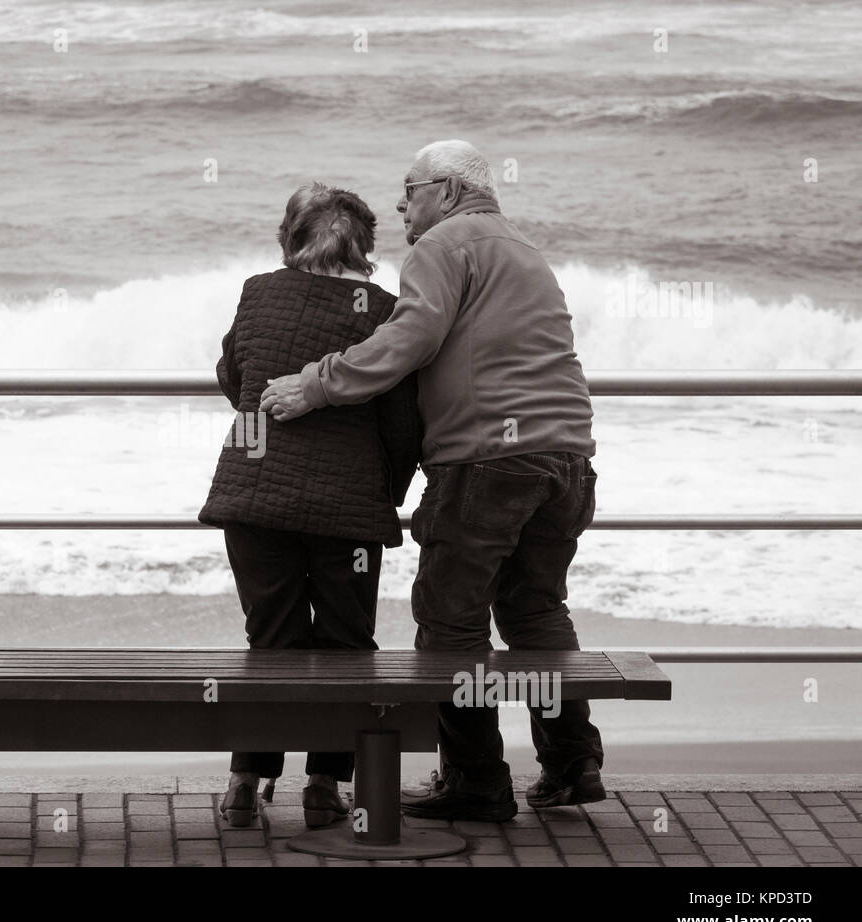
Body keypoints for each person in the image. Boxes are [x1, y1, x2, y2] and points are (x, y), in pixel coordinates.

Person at [260, 141, 604, 822]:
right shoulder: (523, 250)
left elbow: (411, 337)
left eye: (410, 190)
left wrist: (316, 383)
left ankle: (477, 781)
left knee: (451, 628)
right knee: (536, 611)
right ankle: (572, 762)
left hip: (488, 463)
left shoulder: (445, 243)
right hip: (568, 457)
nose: (400, 204)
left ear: (445, 191)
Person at [198, 182, 420, 828]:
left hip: (252, 497)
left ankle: (246, 783)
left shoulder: (258, 290)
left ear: (291, 239)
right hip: (346, 511)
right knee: (348, 645)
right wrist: (388, 494)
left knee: (270, 641)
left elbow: (233, 377)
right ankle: (324, 785)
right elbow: (403, 423)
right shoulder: (383, 309)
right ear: (366, 246)